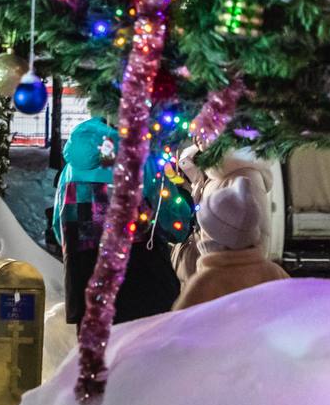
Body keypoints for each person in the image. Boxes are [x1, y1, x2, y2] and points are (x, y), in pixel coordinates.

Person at [53, 117, 193, 326]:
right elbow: (175, 226)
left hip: (86, 286)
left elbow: (59, 229)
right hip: (140, 286)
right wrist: (185, 199)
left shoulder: (69, 171)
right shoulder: (143, 163)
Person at [174, 178, 289, 310]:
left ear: (213, 236)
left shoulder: (206, 282)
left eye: (205, 230)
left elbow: (181, 319)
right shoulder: (273, 273)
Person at [171, 145, 274, 285]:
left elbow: (254, 246)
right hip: (196, 275)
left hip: (218, 284)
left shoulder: (243, 176)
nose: (198, 137)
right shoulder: (208, 172)